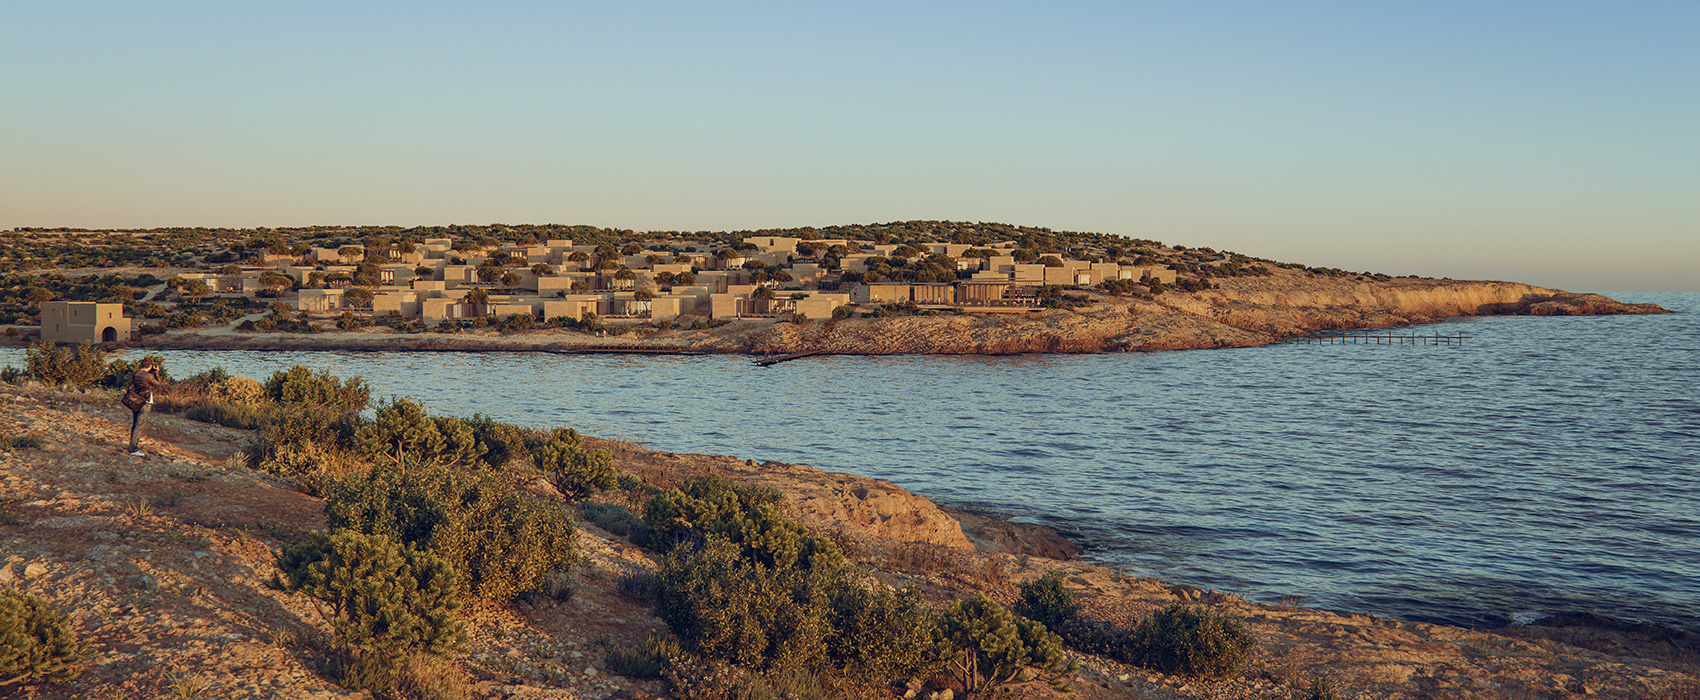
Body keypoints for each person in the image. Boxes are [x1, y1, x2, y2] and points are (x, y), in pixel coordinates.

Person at [122, 357, 163, 456]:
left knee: (135, 424)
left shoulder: (136, 374)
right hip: (145, 402)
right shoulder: (148, 376)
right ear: (149, 366)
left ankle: (132, 445)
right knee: (139, 425)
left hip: (136, 400)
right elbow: (158, 385)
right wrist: (156, 373)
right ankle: (133, 449)